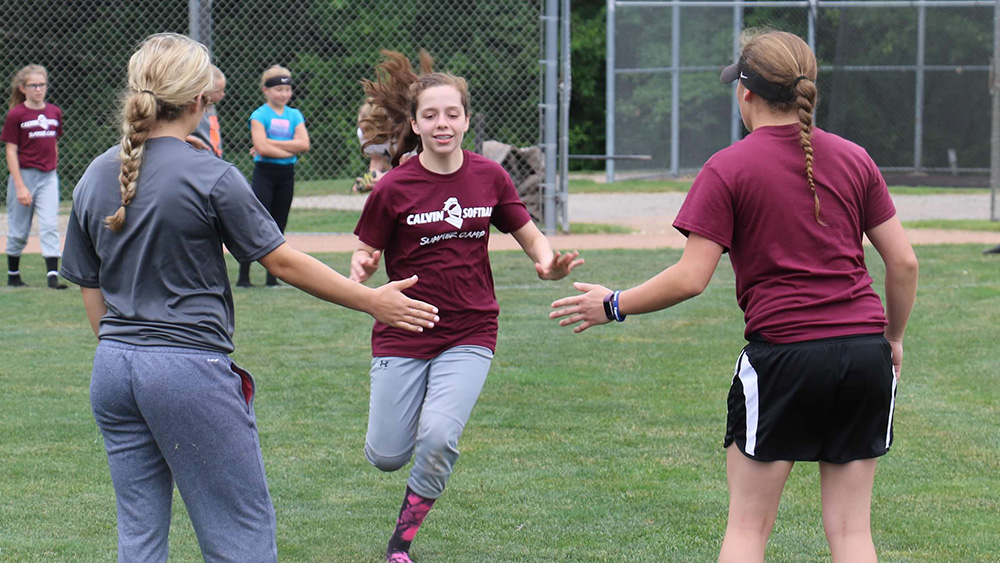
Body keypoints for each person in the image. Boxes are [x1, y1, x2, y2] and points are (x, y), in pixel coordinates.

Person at [58, 33, 439, 562]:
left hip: (114, 371)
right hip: (185, 369)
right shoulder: (211, 175)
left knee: (140, 538)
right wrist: (371, 300)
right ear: (201, 100)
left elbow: (89, 283)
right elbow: (280, 260)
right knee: (240, 535)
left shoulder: (96, 174)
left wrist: (126, 348)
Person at [550, 29, 918, 563]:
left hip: (785, 358)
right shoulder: (855, 157)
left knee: (748, 529)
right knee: (852, 534)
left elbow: (691, 277)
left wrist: (613, 303)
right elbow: (903, 262)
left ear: (745, 93)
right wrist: (894, 337)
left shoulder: (729, 167)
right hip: (865, 356)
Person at [350, 50, 584, 563]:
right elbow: (365, 248)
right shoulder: (392, 188)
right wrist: (362, 268)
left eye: (452, 114)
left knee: (437, 436)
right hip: (404, 328)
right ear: (414, 124)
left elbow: (528, 232)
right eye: (430, 115)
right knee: (389, 455)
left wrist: (547, 263)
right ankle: (393, 437)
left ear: (466, 120)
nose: (442, 123)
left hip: (470, 329)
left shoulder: (489, 177)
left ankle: (400, 546)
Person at [237, 64, 310, 287]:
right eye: (278, 90)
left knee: (279, 224)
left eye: (287, 90)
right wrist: (285, 148)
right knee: (256, 221)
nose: (284, 94)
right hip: (265, 174)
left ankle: (273, 277)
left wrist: (270, 142)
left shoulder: (294, 114)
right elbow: (262, 148)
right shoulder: (259, 115)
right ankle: (244, 276)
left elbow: (304, 144)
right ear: (266, 90)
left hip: (286, 174)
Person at [3, 64, 67, 289]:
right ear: (23, 88)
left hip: (48, 177)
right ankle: (13, 275)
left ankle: (52, 276)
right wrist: (20, 186)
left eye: (42, 85)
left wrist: (53, 169)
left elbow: (54, 144)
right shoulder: (16, 114)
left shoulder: (53, 112)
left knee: (50, 224)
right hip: (24, 176)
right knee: (19, 230)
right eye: (33, 85)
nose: (38, 89)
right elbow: (11, 150)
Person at [351, 100, 392, 193]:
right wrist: (370, 178)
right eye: (361, 129)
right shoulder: (361, 133)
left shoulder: (398, 135)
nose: (364, 135)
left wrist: (384, 177)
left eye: (367, 130)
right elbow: (377, 159)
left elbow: (407, 168)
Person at [186, 64, 226, 157]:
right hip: (199, 156)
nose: (223, 94)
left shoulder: (211, 107)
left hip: (213, 157)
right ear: (204, 89)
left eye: (223, 90)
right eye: (218, 91)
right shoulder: (194, 107)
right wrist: (192, 139)